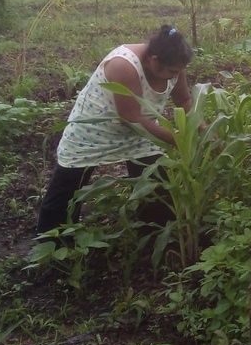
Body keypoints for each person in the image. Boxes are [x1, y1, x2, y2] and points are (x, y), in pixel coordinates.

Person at [36, 24, 195, 235]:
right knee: (65, 194)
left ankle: (155, 236)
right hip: (93, 132)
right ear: (154, 61)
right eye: (172, 72)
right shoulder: (124, 65)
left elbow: (183, 99)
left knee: (157, 189)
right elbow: (131, 118)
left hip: (142, 133)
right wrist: (179, 140)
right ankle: (52, 247)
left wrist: (200, 128)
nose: (176, 75)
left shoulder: (175, 66)